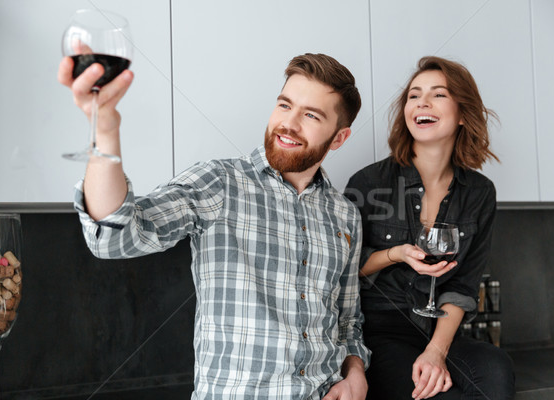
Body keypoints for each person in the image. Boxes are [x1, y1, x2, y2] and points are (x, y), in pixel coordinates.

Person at [57, 53, 370, 399]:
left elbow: (348, 319)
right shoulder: (219, 183)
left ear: (339, 138)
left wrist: (355, 370)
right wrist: (105, 129)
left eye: (311, 115)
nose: (289, 123)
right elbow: (114, 239)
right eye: (284, 105)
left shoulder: (344, 215)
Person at [344, 56, 515, 399]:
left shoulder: (479, 193)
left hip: (439, 332)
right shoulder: (368, 182)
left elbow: (464, 287)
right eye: (413, 95)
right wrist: (395, 254)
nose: (421, 102)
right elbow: (344, 271)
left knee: (497, 369)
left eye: (438, 94)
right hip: (380, 335)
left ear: (463, 113)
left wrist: (436, 351)